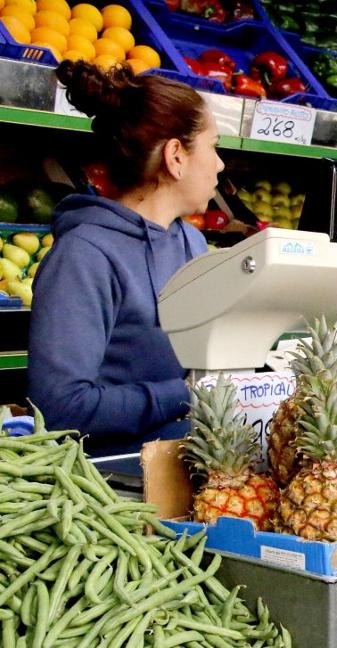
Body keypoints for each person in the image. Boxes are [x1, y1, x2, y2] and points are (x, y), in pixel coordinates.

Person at [28, 61, 225, 456]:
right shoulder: (83, 256)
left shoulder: (192, 242)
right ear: (176, 156)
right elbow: (60, 406)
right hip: (106, 479)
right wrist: (187, 394)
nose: (220, 164)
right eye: (213, 146)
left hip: (189, 463)